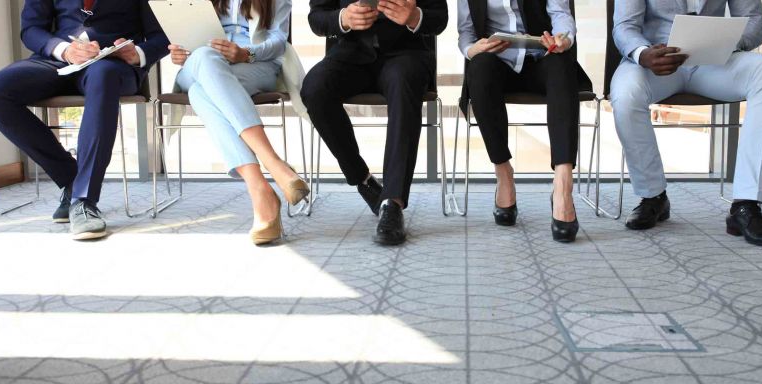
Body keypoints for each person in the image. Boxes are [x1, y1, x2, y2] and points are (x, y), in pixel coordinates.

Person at [0, 0, 169, 240]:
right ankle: (71, 179)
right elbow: (31, 29)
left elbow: (163, 35)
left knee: (103, 75)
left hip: (113, 65)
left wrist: (139, 53)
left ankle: (84, 200)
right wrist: (64, 50)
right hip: (57, 60)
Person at [611, 0, 762, 247]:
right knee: (625, 94)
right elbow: (624, 26)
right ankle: (654, 196)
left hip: (715, 63)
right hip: (656, 62)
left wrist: (726, 44)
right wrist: (643, 54)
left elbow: (755, 22)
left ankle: (746, 205)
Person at [301, 0, 448, 246]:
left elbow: (440, 18)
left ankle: (393, 203)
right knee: (314, 89)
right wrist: (343, 18)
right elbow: (316, 19)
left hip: (406, 54)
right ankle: (363, 180)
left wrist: (414, 17)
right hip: (350, 54)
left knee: (403, 85)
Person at [167, 0, 308, 245]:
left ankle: (260, 191)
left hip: (253, 64)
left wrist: (247, 53)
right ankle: (274, 164)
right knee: (204, 57)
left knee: (200, 93)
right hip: (200, 63)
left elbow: (278, 41)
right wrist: (180, 51)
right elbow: (186, 30)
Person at [457, 0, 591, 243]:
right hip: (497, 63)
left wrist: (563, 38)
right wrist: (472, 49)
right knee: (479, 67)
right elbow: (466, 31)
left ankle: (563, 186)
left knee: (562, 64)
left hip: (541, 59)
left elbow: (560, 14)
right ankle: (503, 173)